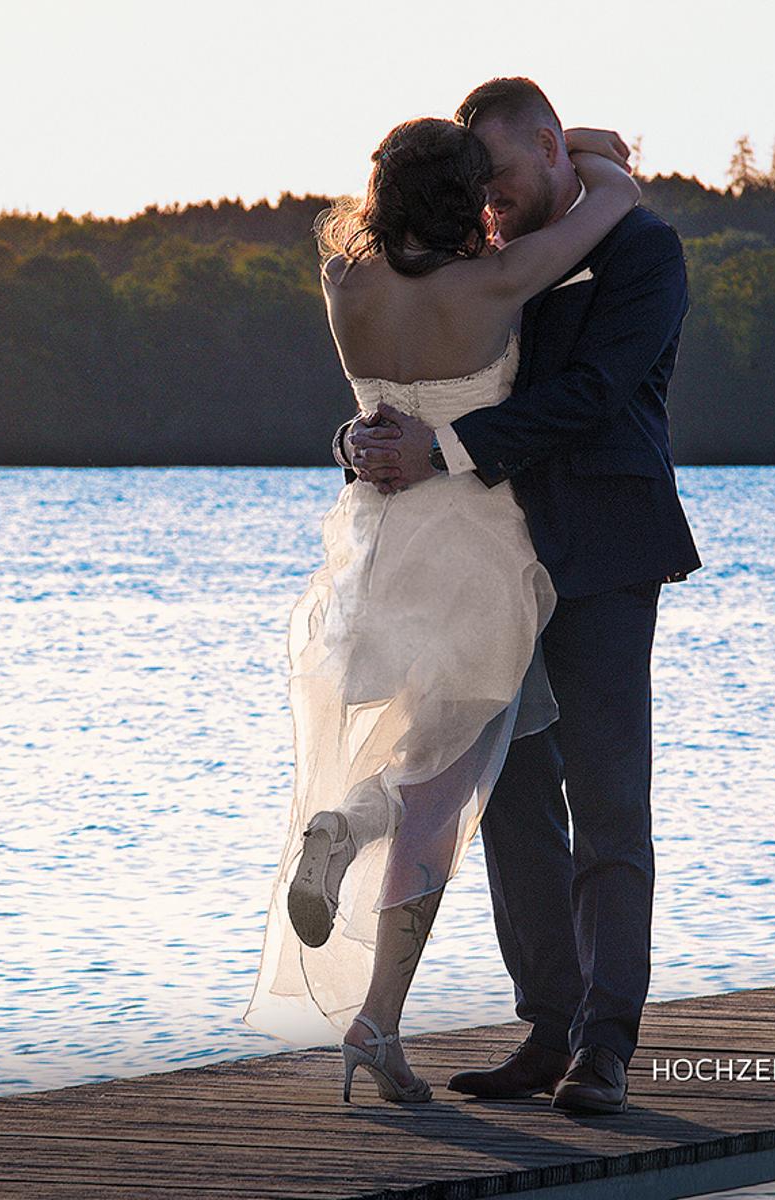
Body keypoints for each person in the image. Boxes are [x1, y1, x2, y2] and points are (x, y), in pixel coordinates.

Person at [241, 111, 642, 1105]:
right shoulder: (495, 282)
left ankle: (347, 850)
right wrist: (574, 148)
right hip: (476, 559)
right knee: (440, 801)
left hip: (380, 553)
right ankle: (374, 1014)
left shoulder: (345, 284)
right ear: (467, 197)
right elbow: (618, 200)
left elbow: (382, 411)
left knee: (437, 770)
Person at [344, 78, 702, 1115]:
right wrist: (361, 442)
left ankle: (606, 1045)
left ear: (551, 150)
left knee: (607, 800)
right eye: (475, 191)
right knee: (508, 804)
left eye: (499, 181)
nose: (487, 208)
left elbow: (590, 398)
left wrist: (441, 448)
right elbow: (417, 385)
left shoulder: (641, 252)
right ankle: (544, 1028)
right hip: (488, 566)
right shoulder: (485, 260)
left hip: (600, 554)